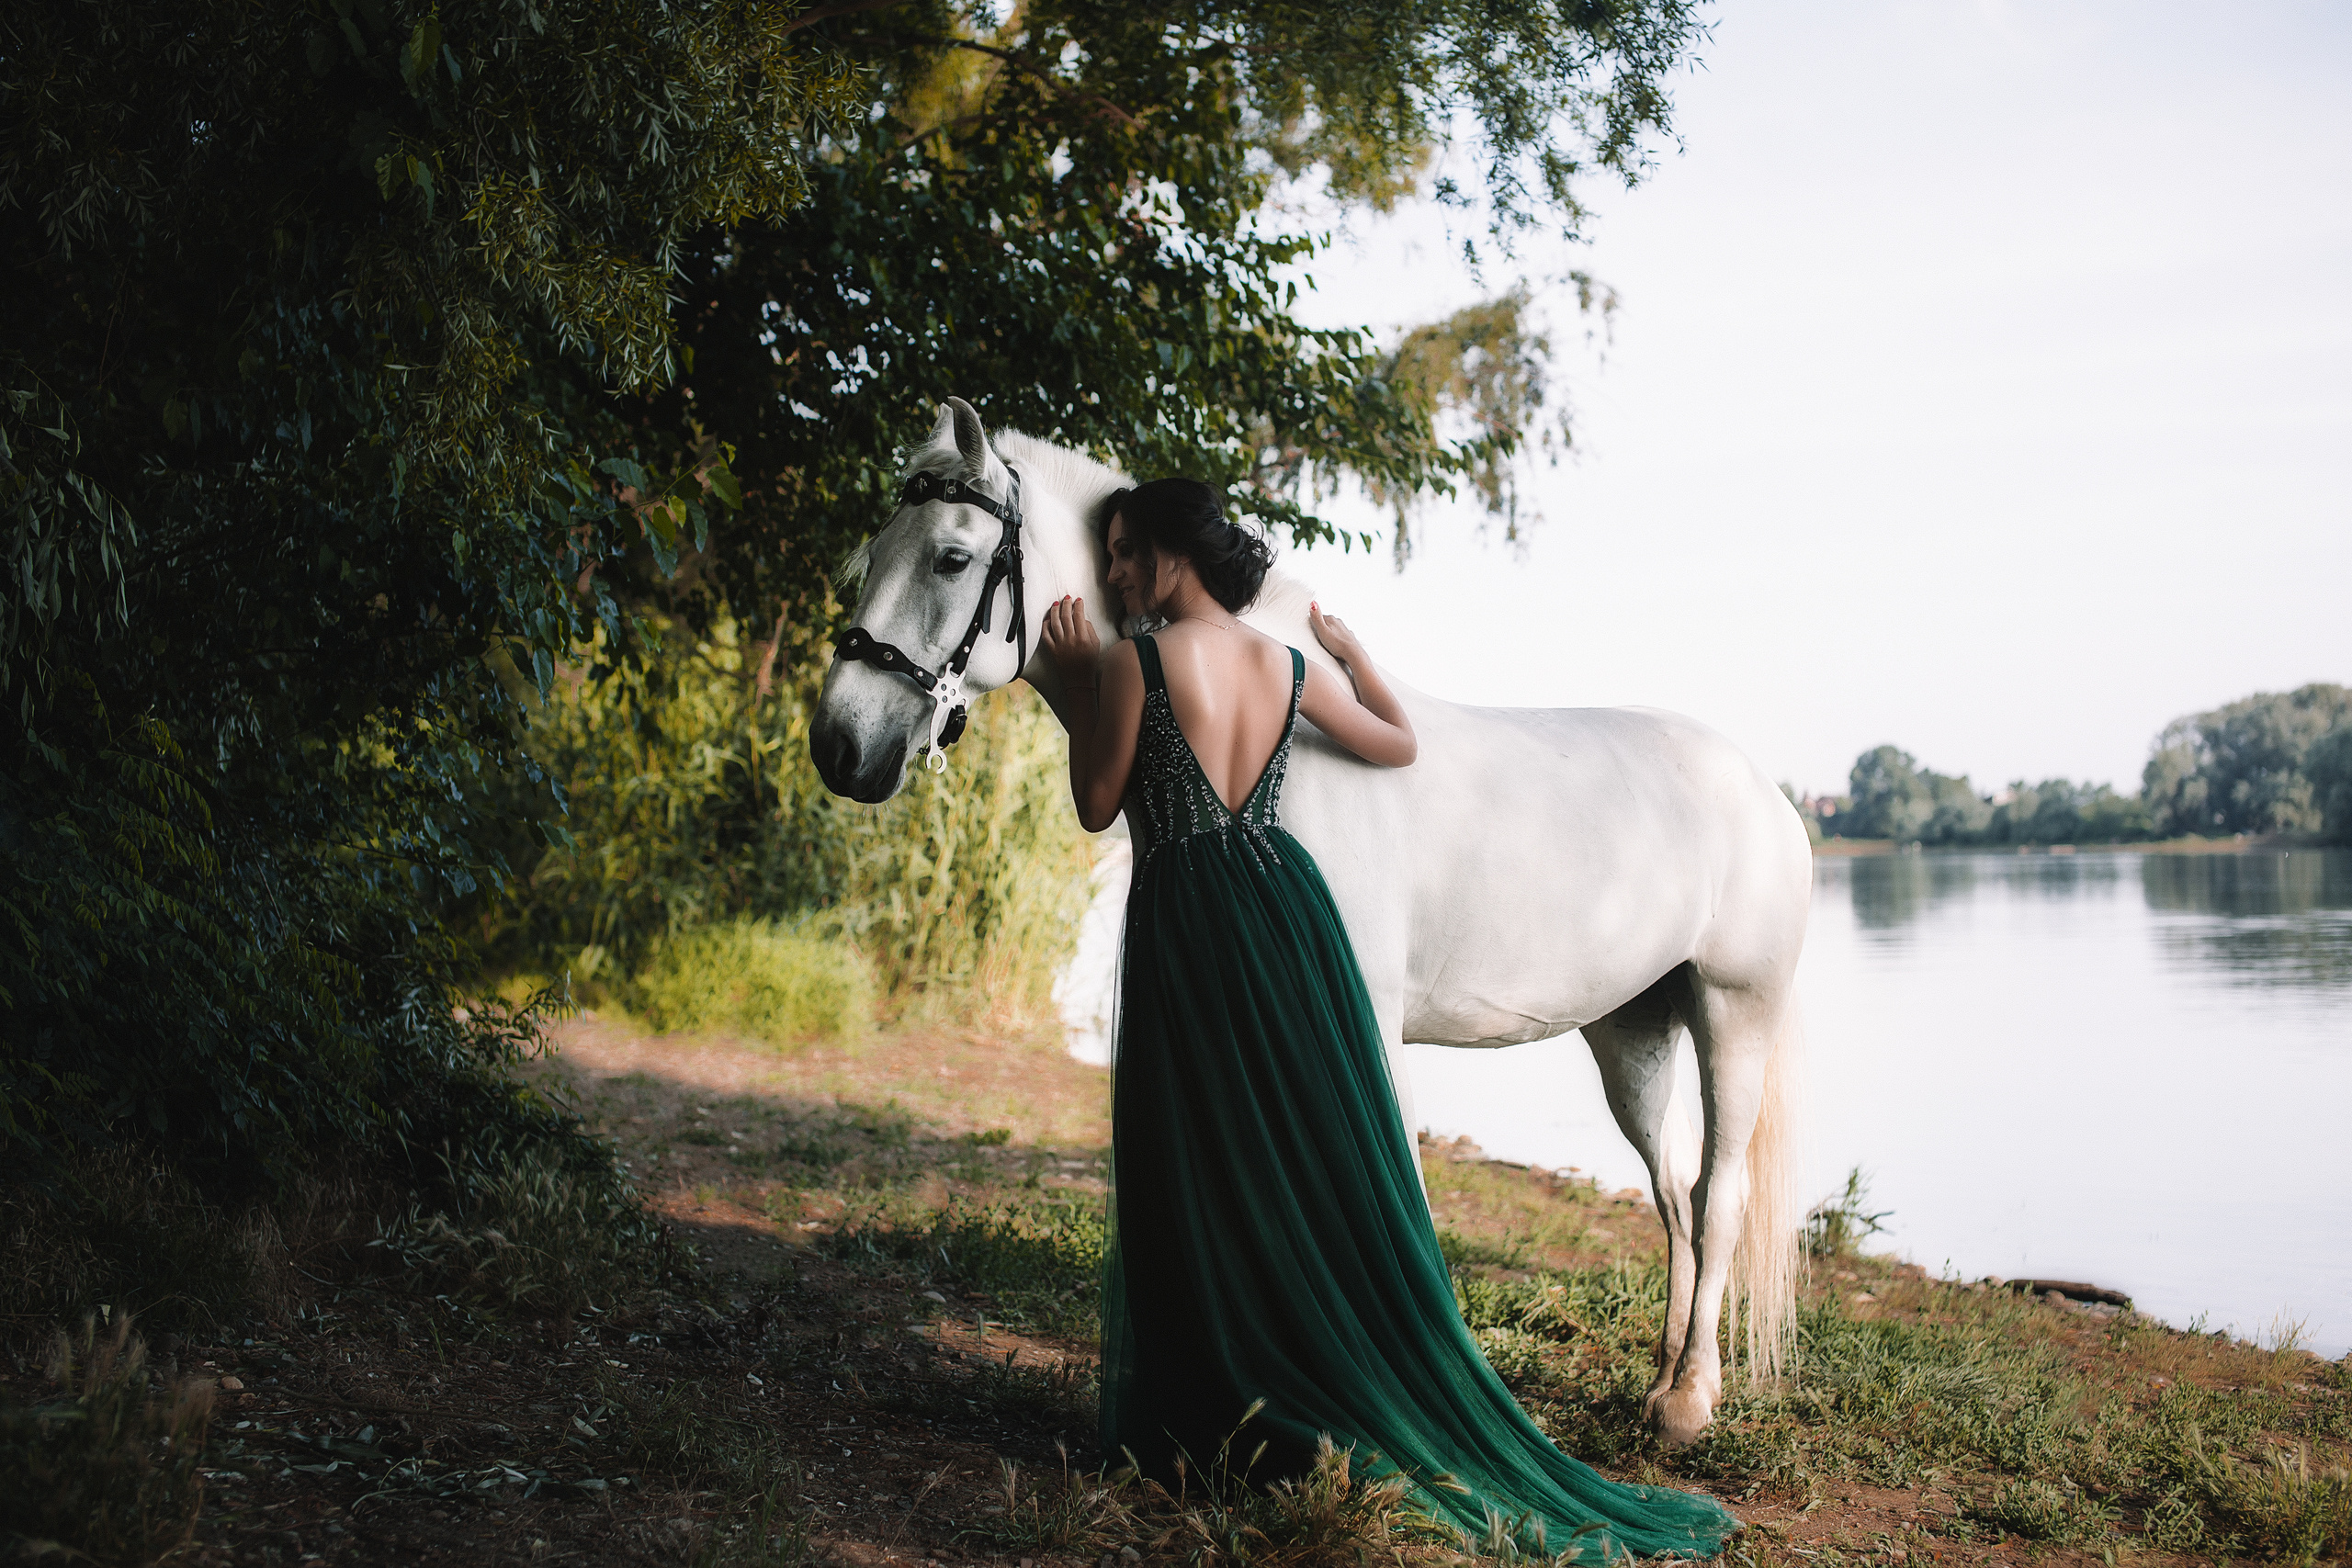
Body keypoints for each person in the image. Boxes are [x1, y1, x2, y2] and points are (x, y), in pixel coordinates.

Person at [1039, 477, 1740, 1561]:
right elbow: (1396, 747)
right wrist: (1359, 659)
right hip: (1284, 912)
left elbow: (1097, 805)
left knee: (1197, 1153)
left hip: (1188, 915)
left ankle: (1213, 1406)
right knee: (1292, 1152)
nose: (1118, 574)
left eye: (1128, 553)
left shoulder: (1133, 660)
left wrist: (1084, 683)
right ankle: (1309, 1372)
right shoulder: (1287, 664)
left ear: (1174, 553)